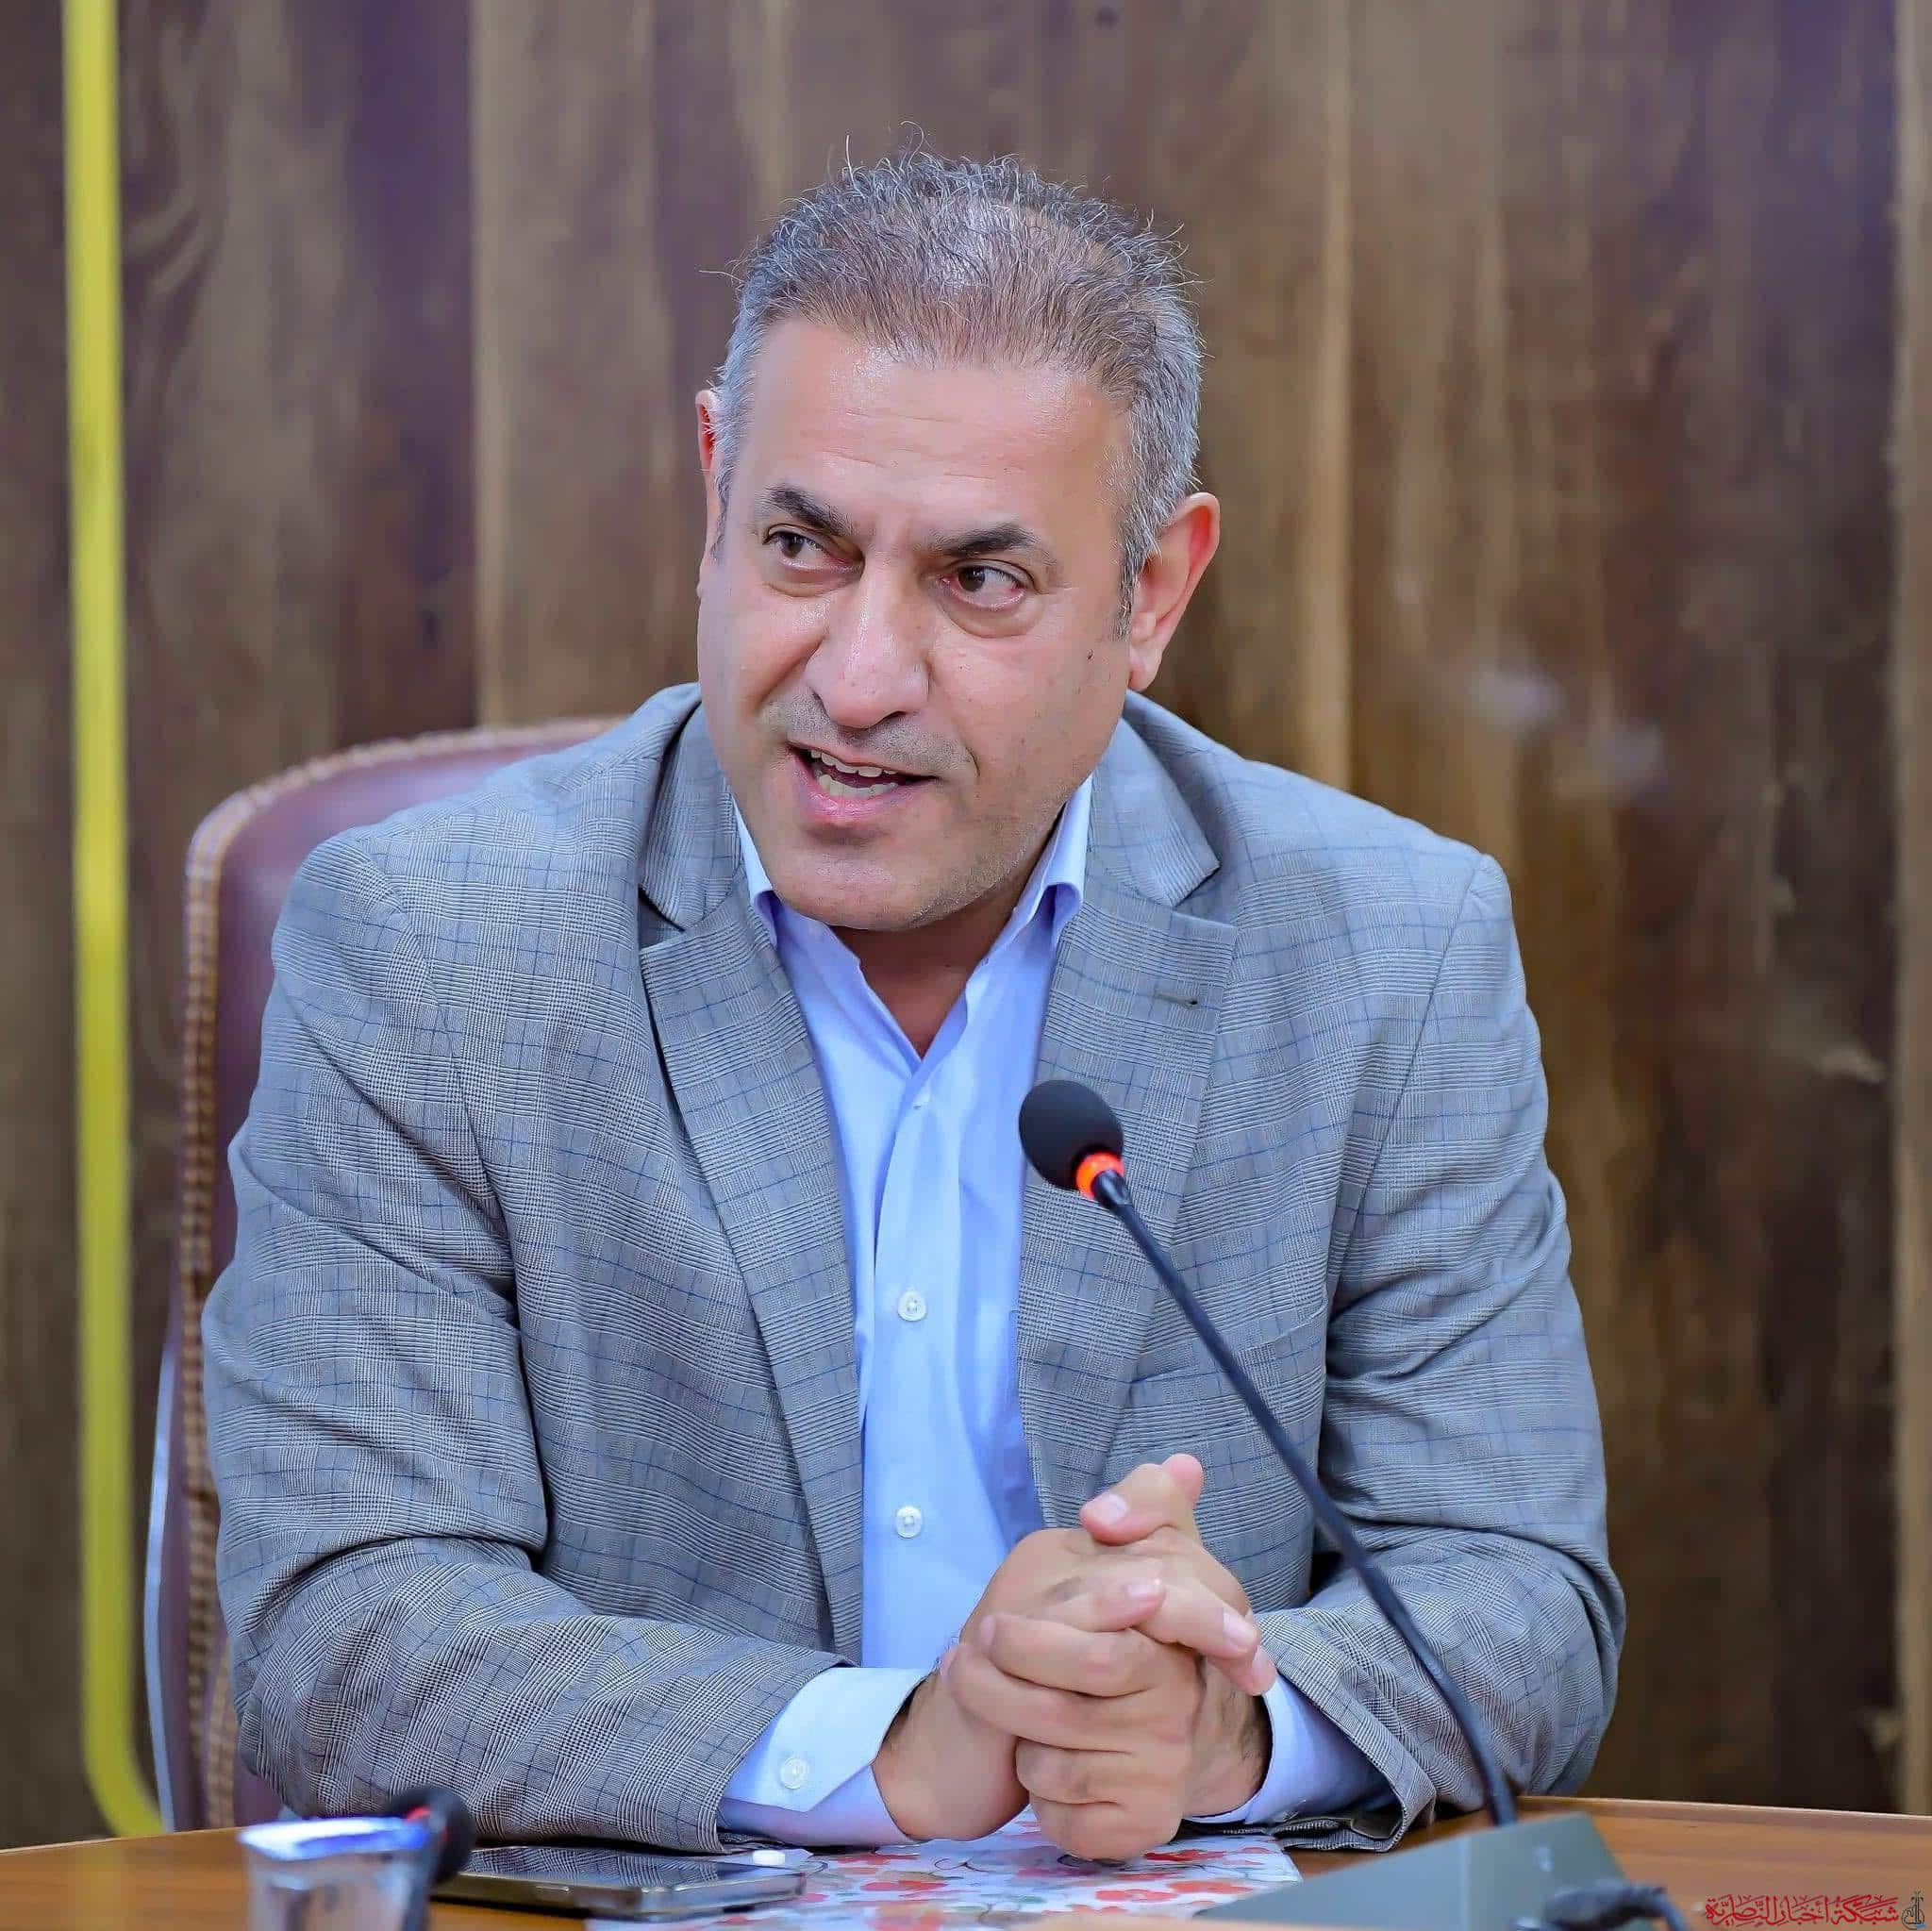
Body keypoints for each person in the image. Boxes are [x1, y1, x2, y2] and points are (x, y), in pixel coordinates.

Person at [204, 149, 1623, 1863]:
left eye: (980, 581)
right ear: (714, 489)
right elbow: (344, 1634)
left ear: (1153, 594)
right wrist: (893, 1749)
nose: (860, 678)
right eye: (802, 546)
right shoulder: (433, 949)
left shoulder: (1385, 950)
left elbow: (1515, 1591)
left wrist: (1228, 1727)